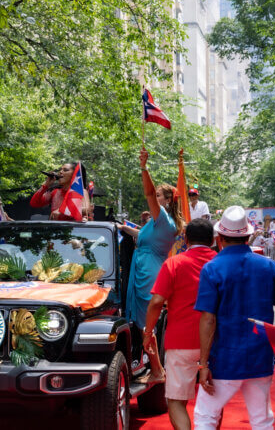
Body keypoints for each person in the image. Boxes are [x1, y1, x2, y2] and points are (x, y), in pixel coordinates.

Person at [193, 205, 275, 430]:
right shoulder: (269, 267)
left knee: (205, 416)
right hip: (260, 356)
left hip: (224, 359)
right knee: (262, 420)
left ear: (219, 237)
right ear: (248, 236)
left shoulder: (212, 268)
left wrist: (203, 364)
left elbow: (208, 320)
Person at [143, 219, 216, 429]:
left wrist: (148, 332)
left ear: (185, 238)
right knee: (214, 404)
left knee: (176, 401)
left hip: (180, 340)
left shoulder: (174, 262)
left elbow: (156, 301)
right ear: (212, 240)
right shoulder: (219, 263)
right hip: (216, 341)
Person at [119, 148, 183, 379]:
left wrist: (144, 168)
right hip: (143, 269)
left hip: (149, 273)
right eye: (155, 196)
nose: (153, 199)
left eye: (158, 196)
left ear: (167, 201)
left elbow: (146, 192)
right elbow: (140, 236)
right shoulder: (158, 224)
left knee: (147, 325)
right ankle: (154, 366)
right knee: (142, 324)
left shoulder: (163, 219)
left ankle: (157, 369)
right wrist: (121, 228)